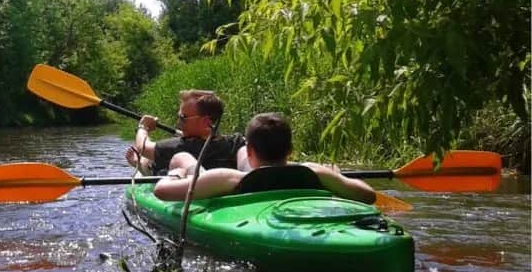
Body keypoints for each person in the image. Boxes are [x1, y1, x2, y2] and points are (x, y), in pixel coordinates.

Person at [154, 112, 376, 204]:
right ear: (290, 150)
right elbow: (368, 195)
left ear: (250, 151)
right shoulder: (313, 171)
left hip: (221, 181)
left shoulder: (226, 178)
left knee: (184, 159)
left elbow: (161, 191)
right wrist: (335, 175)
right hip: (277, 173)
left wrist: (176, 173)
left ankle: (186, 165)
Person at [125, 89, 248, 174]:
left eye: (183, 118)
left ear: (205, 121)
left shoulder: (181, 146)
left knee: (149, 159)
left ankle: (141, 165)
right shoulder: (236, 142)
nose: (178, 122)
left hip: (200, 188)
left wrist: (143, 127)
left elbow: (142, 147)